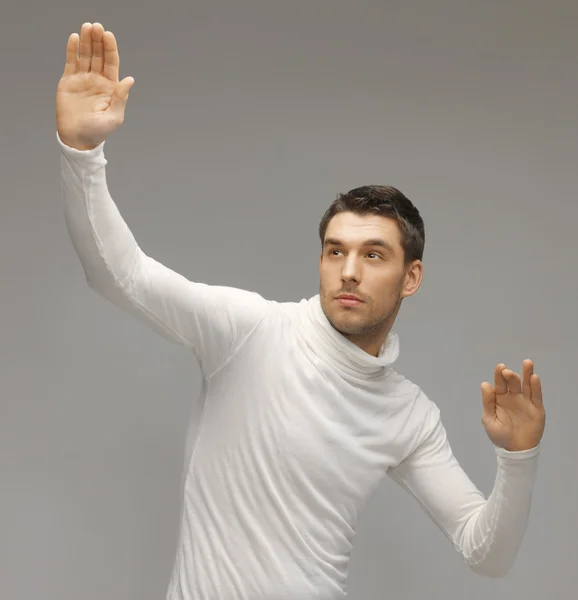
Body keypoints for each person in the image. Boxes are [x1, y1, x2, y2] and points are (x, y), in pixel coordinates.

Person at [55, 22, 546, 600]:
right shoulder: (250, 332)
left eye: (374, 254)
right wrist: (82, 152)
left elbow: (483, 552)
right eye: (335, 250)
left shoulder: (409, 415)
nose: (349, 270)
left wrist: (519, 459)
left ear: (411, 276)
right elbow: (119, 274)